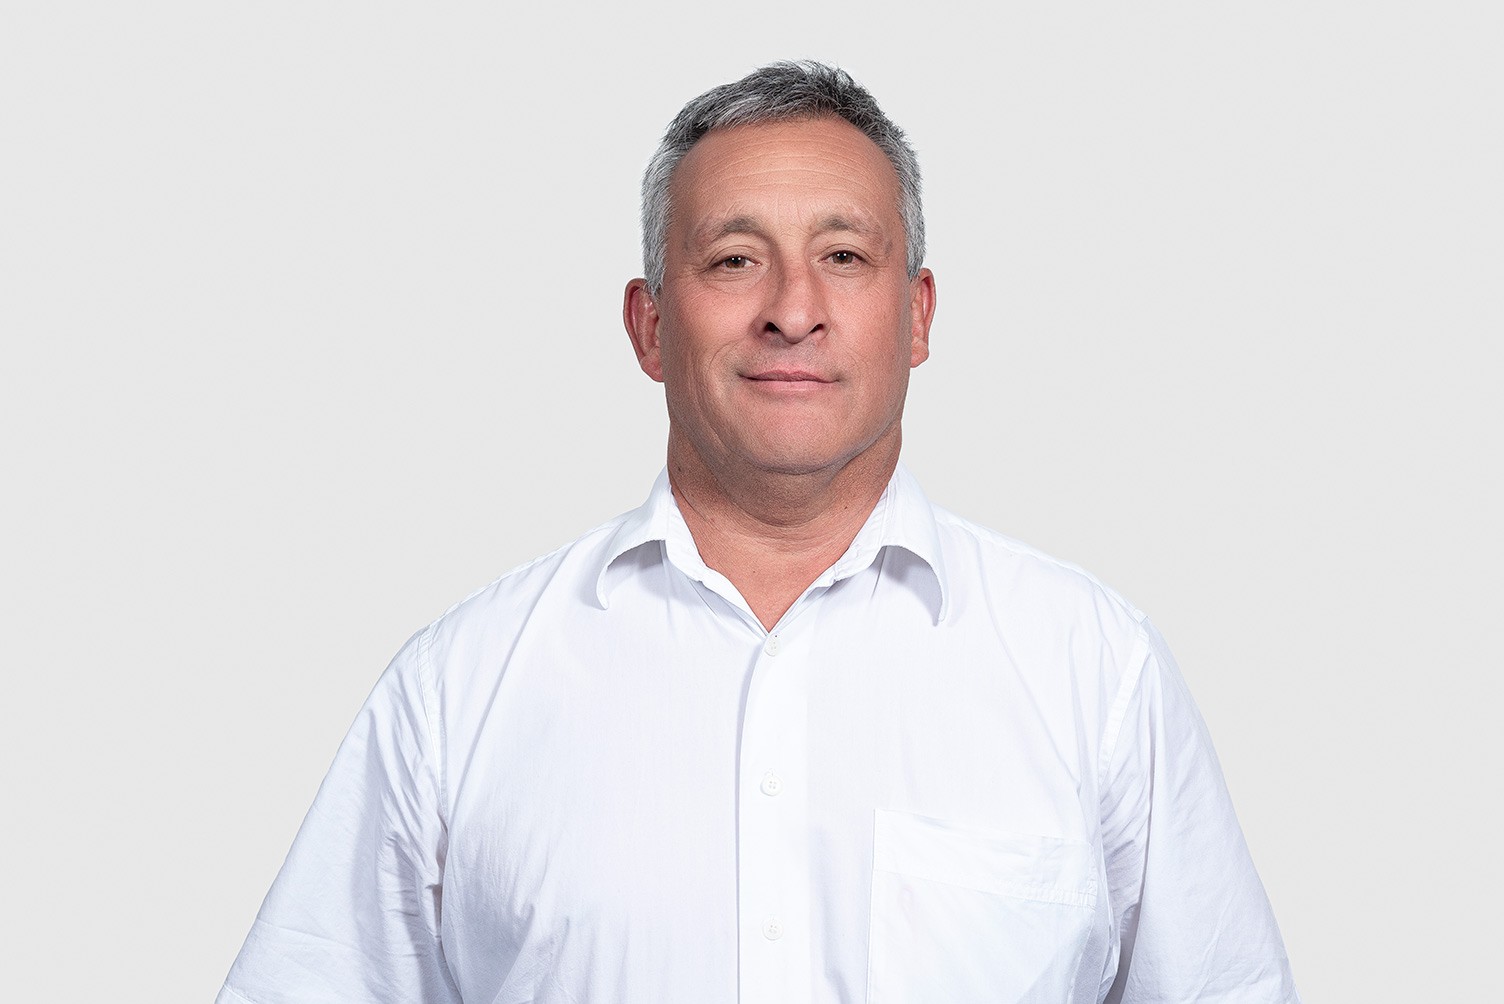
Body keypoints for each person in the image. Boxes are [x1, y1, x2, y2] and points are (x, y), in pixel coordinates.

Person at [218, 61, 1300, 1003]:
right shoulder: (461, 688)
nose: (792, 307)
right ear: (649, 324)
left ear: (918, 315)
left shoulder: (1092, 672)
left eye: (845, 256)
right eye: (735, 259)